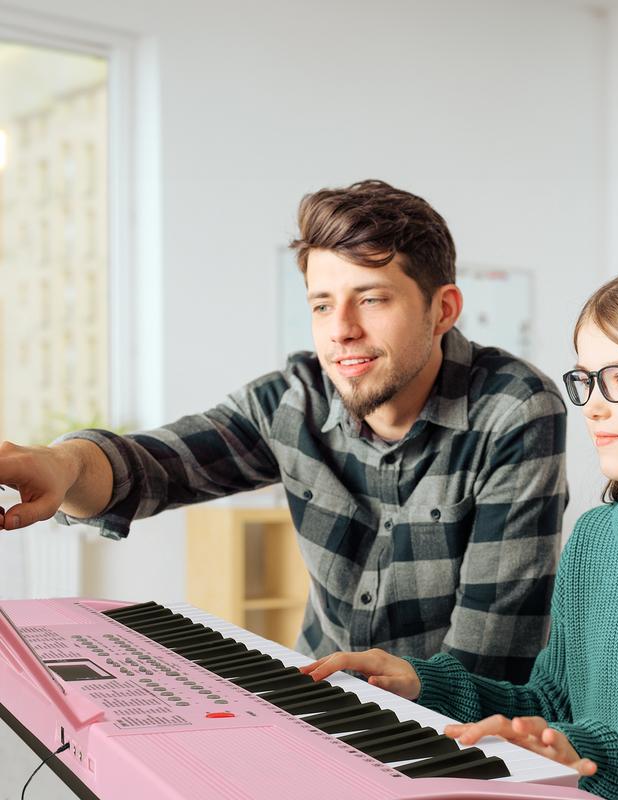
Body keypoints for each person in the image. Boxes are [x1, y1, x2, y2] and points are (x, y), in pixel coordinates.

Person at [0, 180, 567, 683]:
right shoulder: (294, 399)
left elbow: (489, 660)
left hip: (459, 731)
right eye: (322, 305)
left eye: (370, 299)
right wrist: (65, 464)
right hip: (322, 696)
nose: (341, 330)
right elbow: (154, 467)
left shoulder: (515, 411)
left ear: (442, 310)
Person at [300, 260, 618, 799]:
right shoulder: (595, 537)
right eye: (586, 380)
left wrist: (579, 754)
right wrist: (422, 683)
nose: (594, 407)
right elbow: (554, 706)